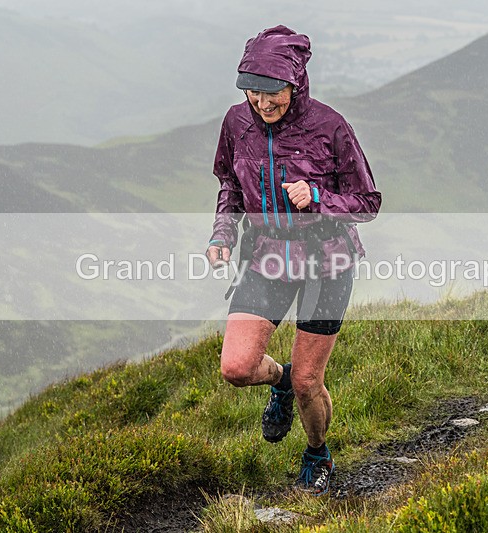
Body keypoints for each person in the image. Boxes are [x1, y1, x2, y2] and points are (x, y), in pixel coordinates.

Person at [206, 25, 381, 496]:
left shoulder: (329, 126)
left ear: (296, 82)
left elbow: (367, 201)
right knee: (237, 368)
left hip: (328, 263)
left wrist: (319, 196)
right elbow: (229, 184)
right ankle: (277, 381)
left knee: (310, 381)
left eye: (272, 93)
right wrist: (223, 233)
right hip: (266, 257)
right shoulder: (236, 123)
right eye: (253, 93)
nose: (262, 105)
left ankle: (317, 453)